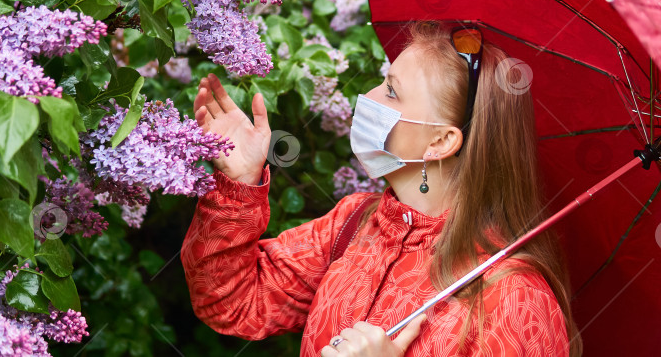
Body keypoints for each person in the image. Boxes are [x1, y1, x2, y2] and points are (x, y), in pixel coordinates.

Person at [181, 20, 583, 356]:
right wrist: (239, 183)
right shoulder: (355, 222)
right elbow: (231, 302)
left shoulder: (513, 299)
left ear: (440, 142)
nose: (367, 97)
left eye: (391, 91)